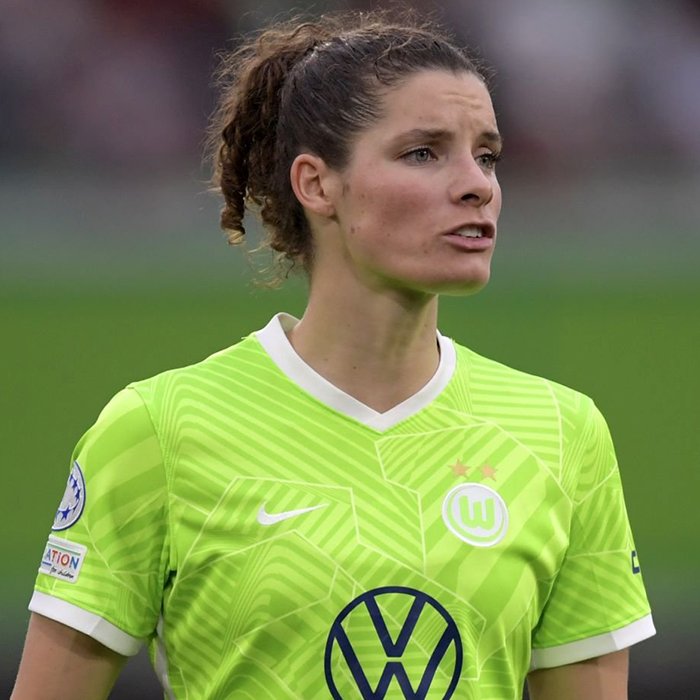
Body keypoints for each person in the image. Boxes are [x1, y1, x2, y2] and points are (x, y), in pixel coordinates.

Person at [13, 10, 655, 700]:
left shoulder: (562, 433)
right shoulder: (160, 430)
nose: (477, 184)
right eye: (424, 153)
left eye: (487, 156)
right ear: (317, 184)